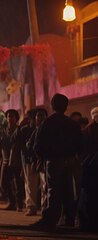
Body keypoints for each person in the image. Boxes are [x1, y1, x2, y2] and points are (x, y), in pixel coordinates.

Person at [32, 94, 84, 229]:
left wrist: (42, 158)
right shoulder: (72, 124)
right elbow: (80, 143)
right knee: (69, 191)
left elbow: (38, 144)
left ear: (52, 105)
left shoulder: (47, 122)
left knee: (53, 191)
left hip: (53, 161)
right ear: (66, 107)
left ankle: (50, 220)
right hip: (70, 161)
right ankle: (69, 219)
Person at [0, 109, 25, 211]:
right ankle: (12, 202)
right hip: (5, 160)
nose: (10, 118)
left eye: (12, 116)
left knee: (18, 183)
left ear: (16, 118)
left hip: (17, 160)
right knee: (3, 183)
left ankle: (19, 204)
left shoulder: (20, 130)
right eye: (8, 116)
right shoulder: (3, 131)